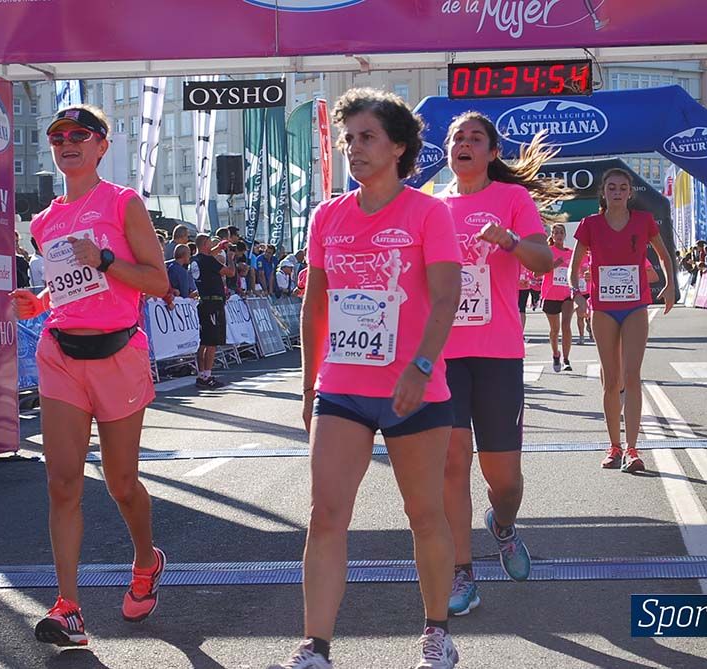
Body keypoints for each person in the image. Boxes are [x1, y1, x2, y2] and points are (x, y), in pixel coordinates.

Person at [274, 88, 462, 669]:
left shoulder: (429, 212)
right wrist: (309, 385)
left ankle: (436, 631)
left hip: (414, 390)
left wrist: (422, 364)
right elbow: (315, 305)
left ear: (399, 146)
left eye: (366, 137)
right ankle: (316, 646)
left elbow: (446, 295)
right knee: (326, 514)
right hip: (344, 388)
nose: (353, 148)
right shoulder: (328, 216)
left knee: (424, 514)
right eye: (347, 138)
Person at [9, 104, 170, 647]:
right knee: (62, 483)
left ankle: (146, 561)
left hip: (118, 355)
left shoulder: (123, 203)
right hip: (61, 354)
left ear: (102, 146)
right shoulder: (46, 220)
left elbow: (156, 282)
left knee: (122, 484)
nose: (67, 142)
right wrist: (40, 302)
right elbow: (69, 284)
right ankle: (69, 608)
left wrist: (103, 259)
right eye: (58, 136)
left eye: (81, 135)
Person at [436, 115, 561, 618]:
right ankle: (461, 571)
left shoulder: (512, 200)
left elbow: (544, 260)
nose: (463, 144)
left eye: (474, 139)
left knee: (504, 480)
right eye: (456, 138)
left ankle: (503, 526)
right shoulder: (431, 207)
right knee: (451, 465)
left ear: (491, 152)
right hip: (443, 355)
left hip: (498, 354)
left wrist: (508, 240)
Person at [569, 168, 675, 474]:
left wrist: (669, 285)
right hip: (603, 308)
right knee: (611, 379)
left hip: (634, 307)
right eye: (612, 187)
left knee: (632, 376)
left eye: (623, 187)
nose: (617, 191)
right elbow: (574, 266)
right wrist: (577, 293)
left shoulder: (643, 222)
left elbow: (664, 256)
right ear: (604, 192)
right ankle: (613, 445)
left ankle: (632, 448)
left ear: (630, 193)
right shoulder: (590, 224)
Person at [192, 233, 235, 389]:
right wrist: (230, 256)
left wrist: (220, 247)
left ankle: (202, 374)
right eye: (210, 243)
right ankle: (207, 376)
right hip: (213, 303)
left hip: (204, 302)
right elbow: (230, 272)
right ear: (205, 244)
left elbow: (207, 254)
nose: (212, 245)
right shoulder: (208, 260)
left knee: (204, 341)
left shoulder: (196, 259)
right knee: (211, 342)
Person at [541, 223, 575, 372]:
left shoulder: (571, 253)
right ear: (552, 236)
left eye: (561, 232)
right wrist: (554, 265)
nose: (559, 235)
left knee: (566, 326)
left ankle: (566, 359)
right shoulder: (547, 252)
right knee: (554, 330)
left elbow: (578, 272)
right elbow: (537, 272)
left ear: (565, 235)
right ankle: (556, 354)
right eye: (556, 233)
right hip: (550, 295)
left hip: (567, 295)